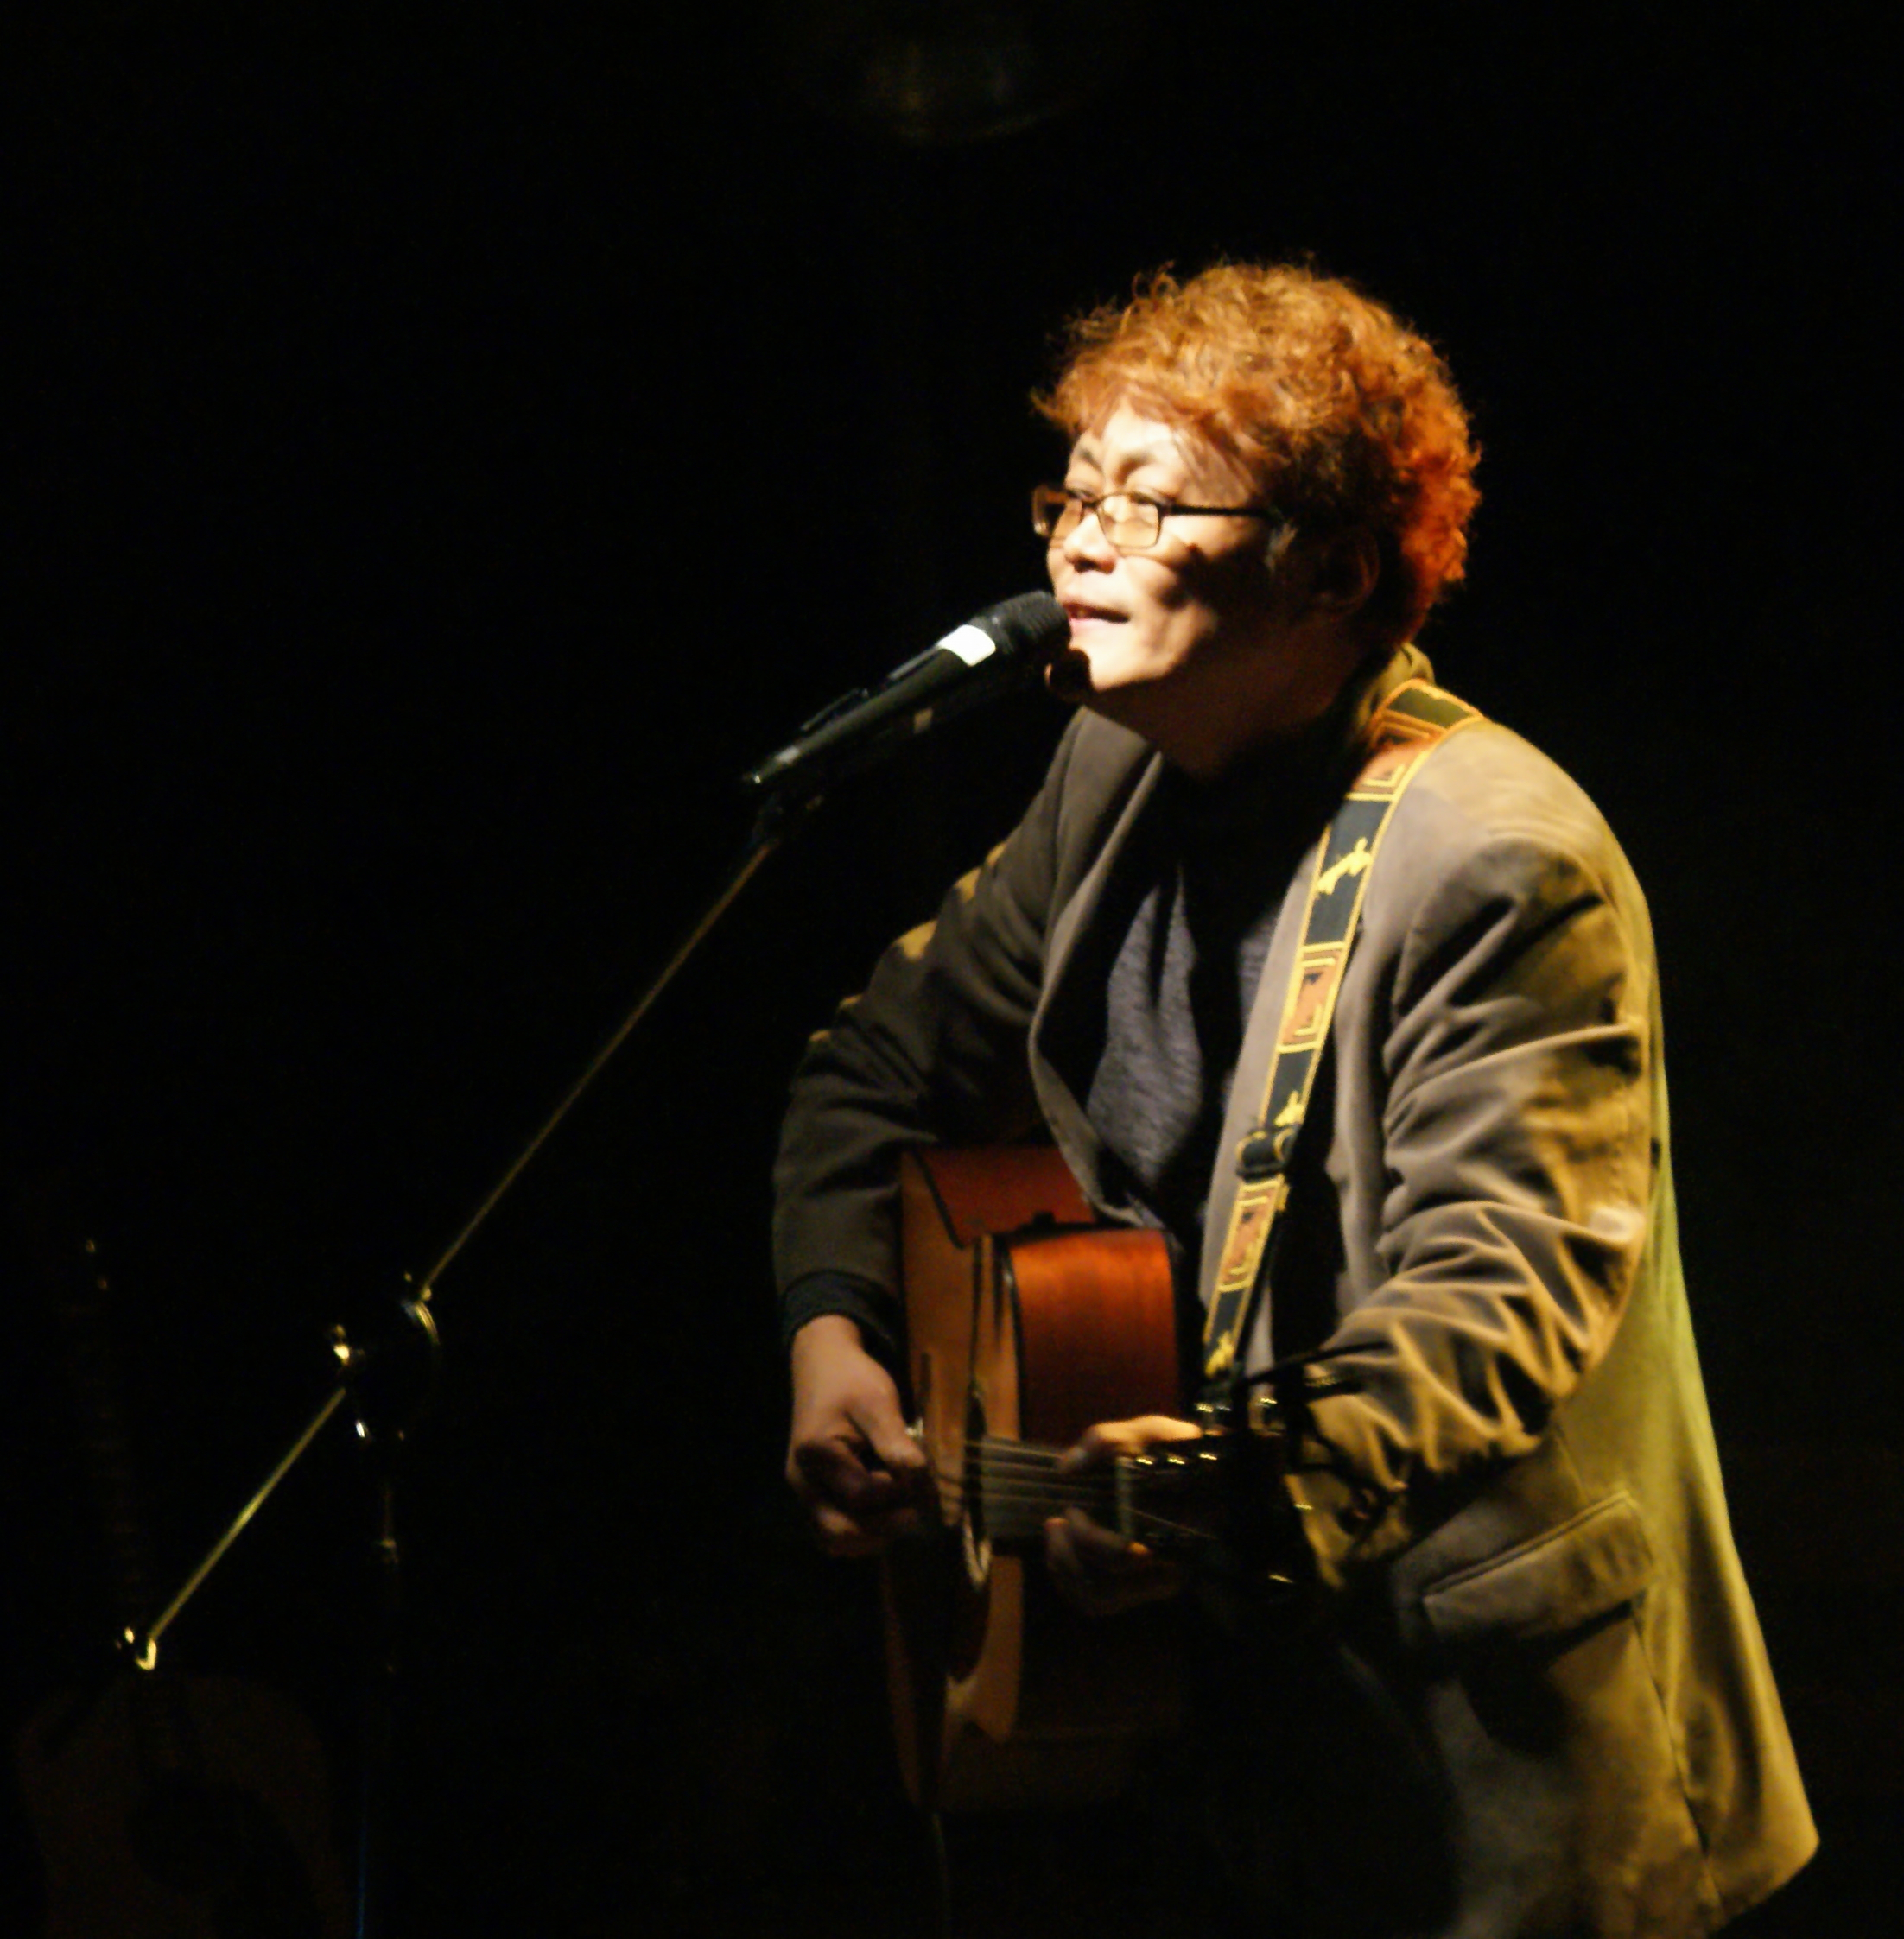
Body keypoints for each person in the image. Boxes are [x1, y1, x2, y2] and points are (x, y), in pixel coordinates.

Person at [772, 263, 1813, 1938]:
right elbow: (876, 1066)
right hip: (1218, 1757)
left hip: (1486, 1759)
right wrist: (837, 1335)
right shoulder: (1113, 770)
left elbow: (1502, 1293)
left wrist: (1235, 1474)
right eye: (1072, 496)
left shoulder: (1498, 857)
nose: (1079, 546)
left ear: (1331, 571)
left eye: (1149, 503)